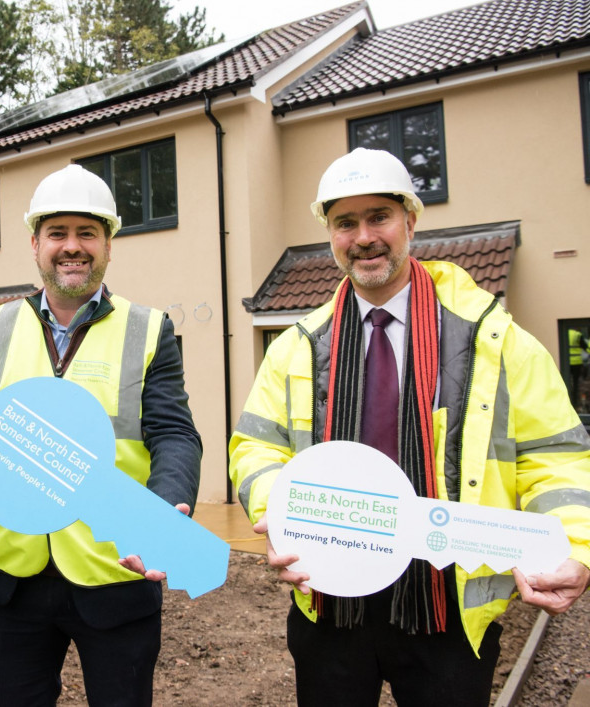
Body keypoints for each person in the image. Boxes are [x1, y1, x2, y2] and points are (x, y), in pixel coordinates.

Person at [229, 147, 590, 706]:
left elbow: (556, 455)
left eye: (379, 217)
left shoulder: (492, 339)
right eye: (345, 223)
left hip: (446, 607)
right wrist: (284, 513)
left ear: (410, 221)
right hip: (330, 603)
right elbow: (257, 445)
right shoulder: (297, 345)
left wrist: (574, 546)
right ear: (329, 233)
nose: (364, 236)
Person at [0, 164, 202, 707]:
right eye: (57, 233)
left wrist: (164, 507)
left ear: (109, 244)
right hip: (16, 575)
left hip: (114, 568)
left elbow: (174, 433)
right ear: (35, 244)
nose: (72, 247)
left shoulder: (149, 328)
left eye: (87, 233)